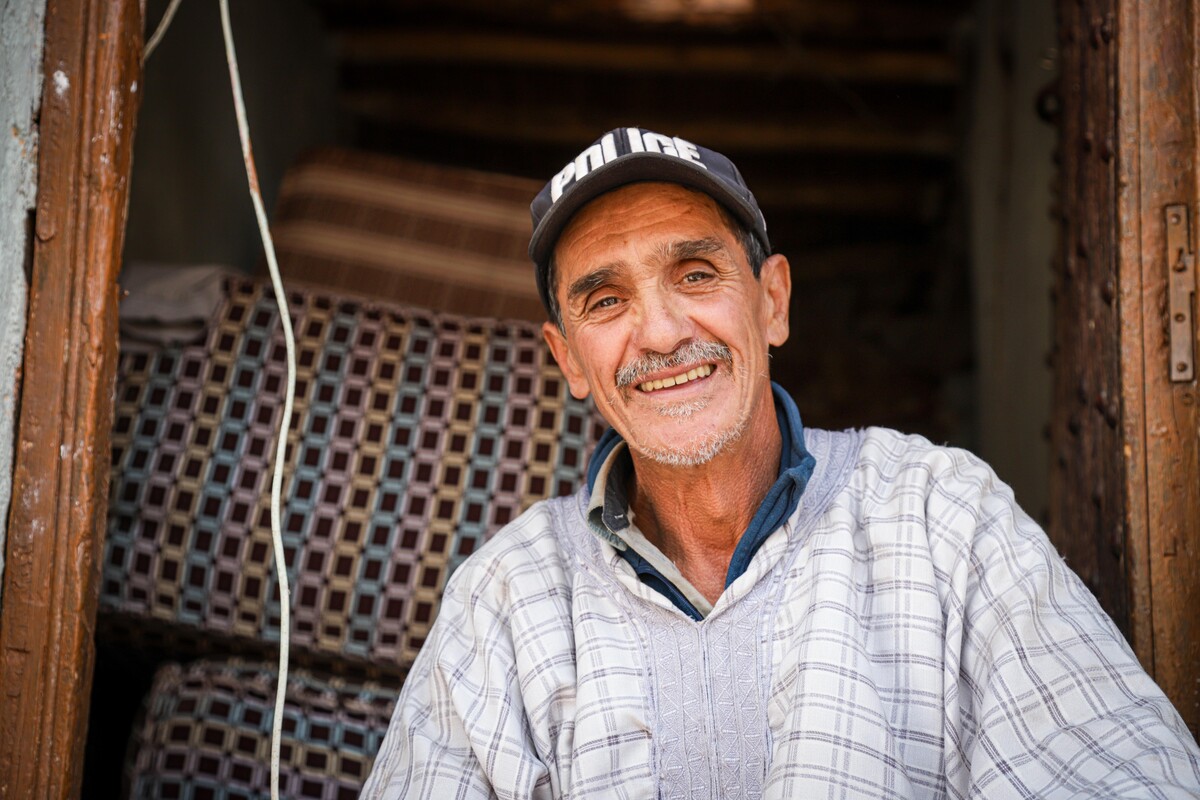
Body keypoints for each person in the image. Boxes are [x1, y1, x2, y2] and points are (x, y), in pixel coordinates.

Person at [361, 128, 1200, 799]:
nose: (658, 333)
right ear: (569, 360)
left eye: (695, 273)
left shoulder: (942, 517)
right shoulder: (505, 598)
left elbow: (1126, 777)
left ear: (772, 300)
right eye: (606, 300)